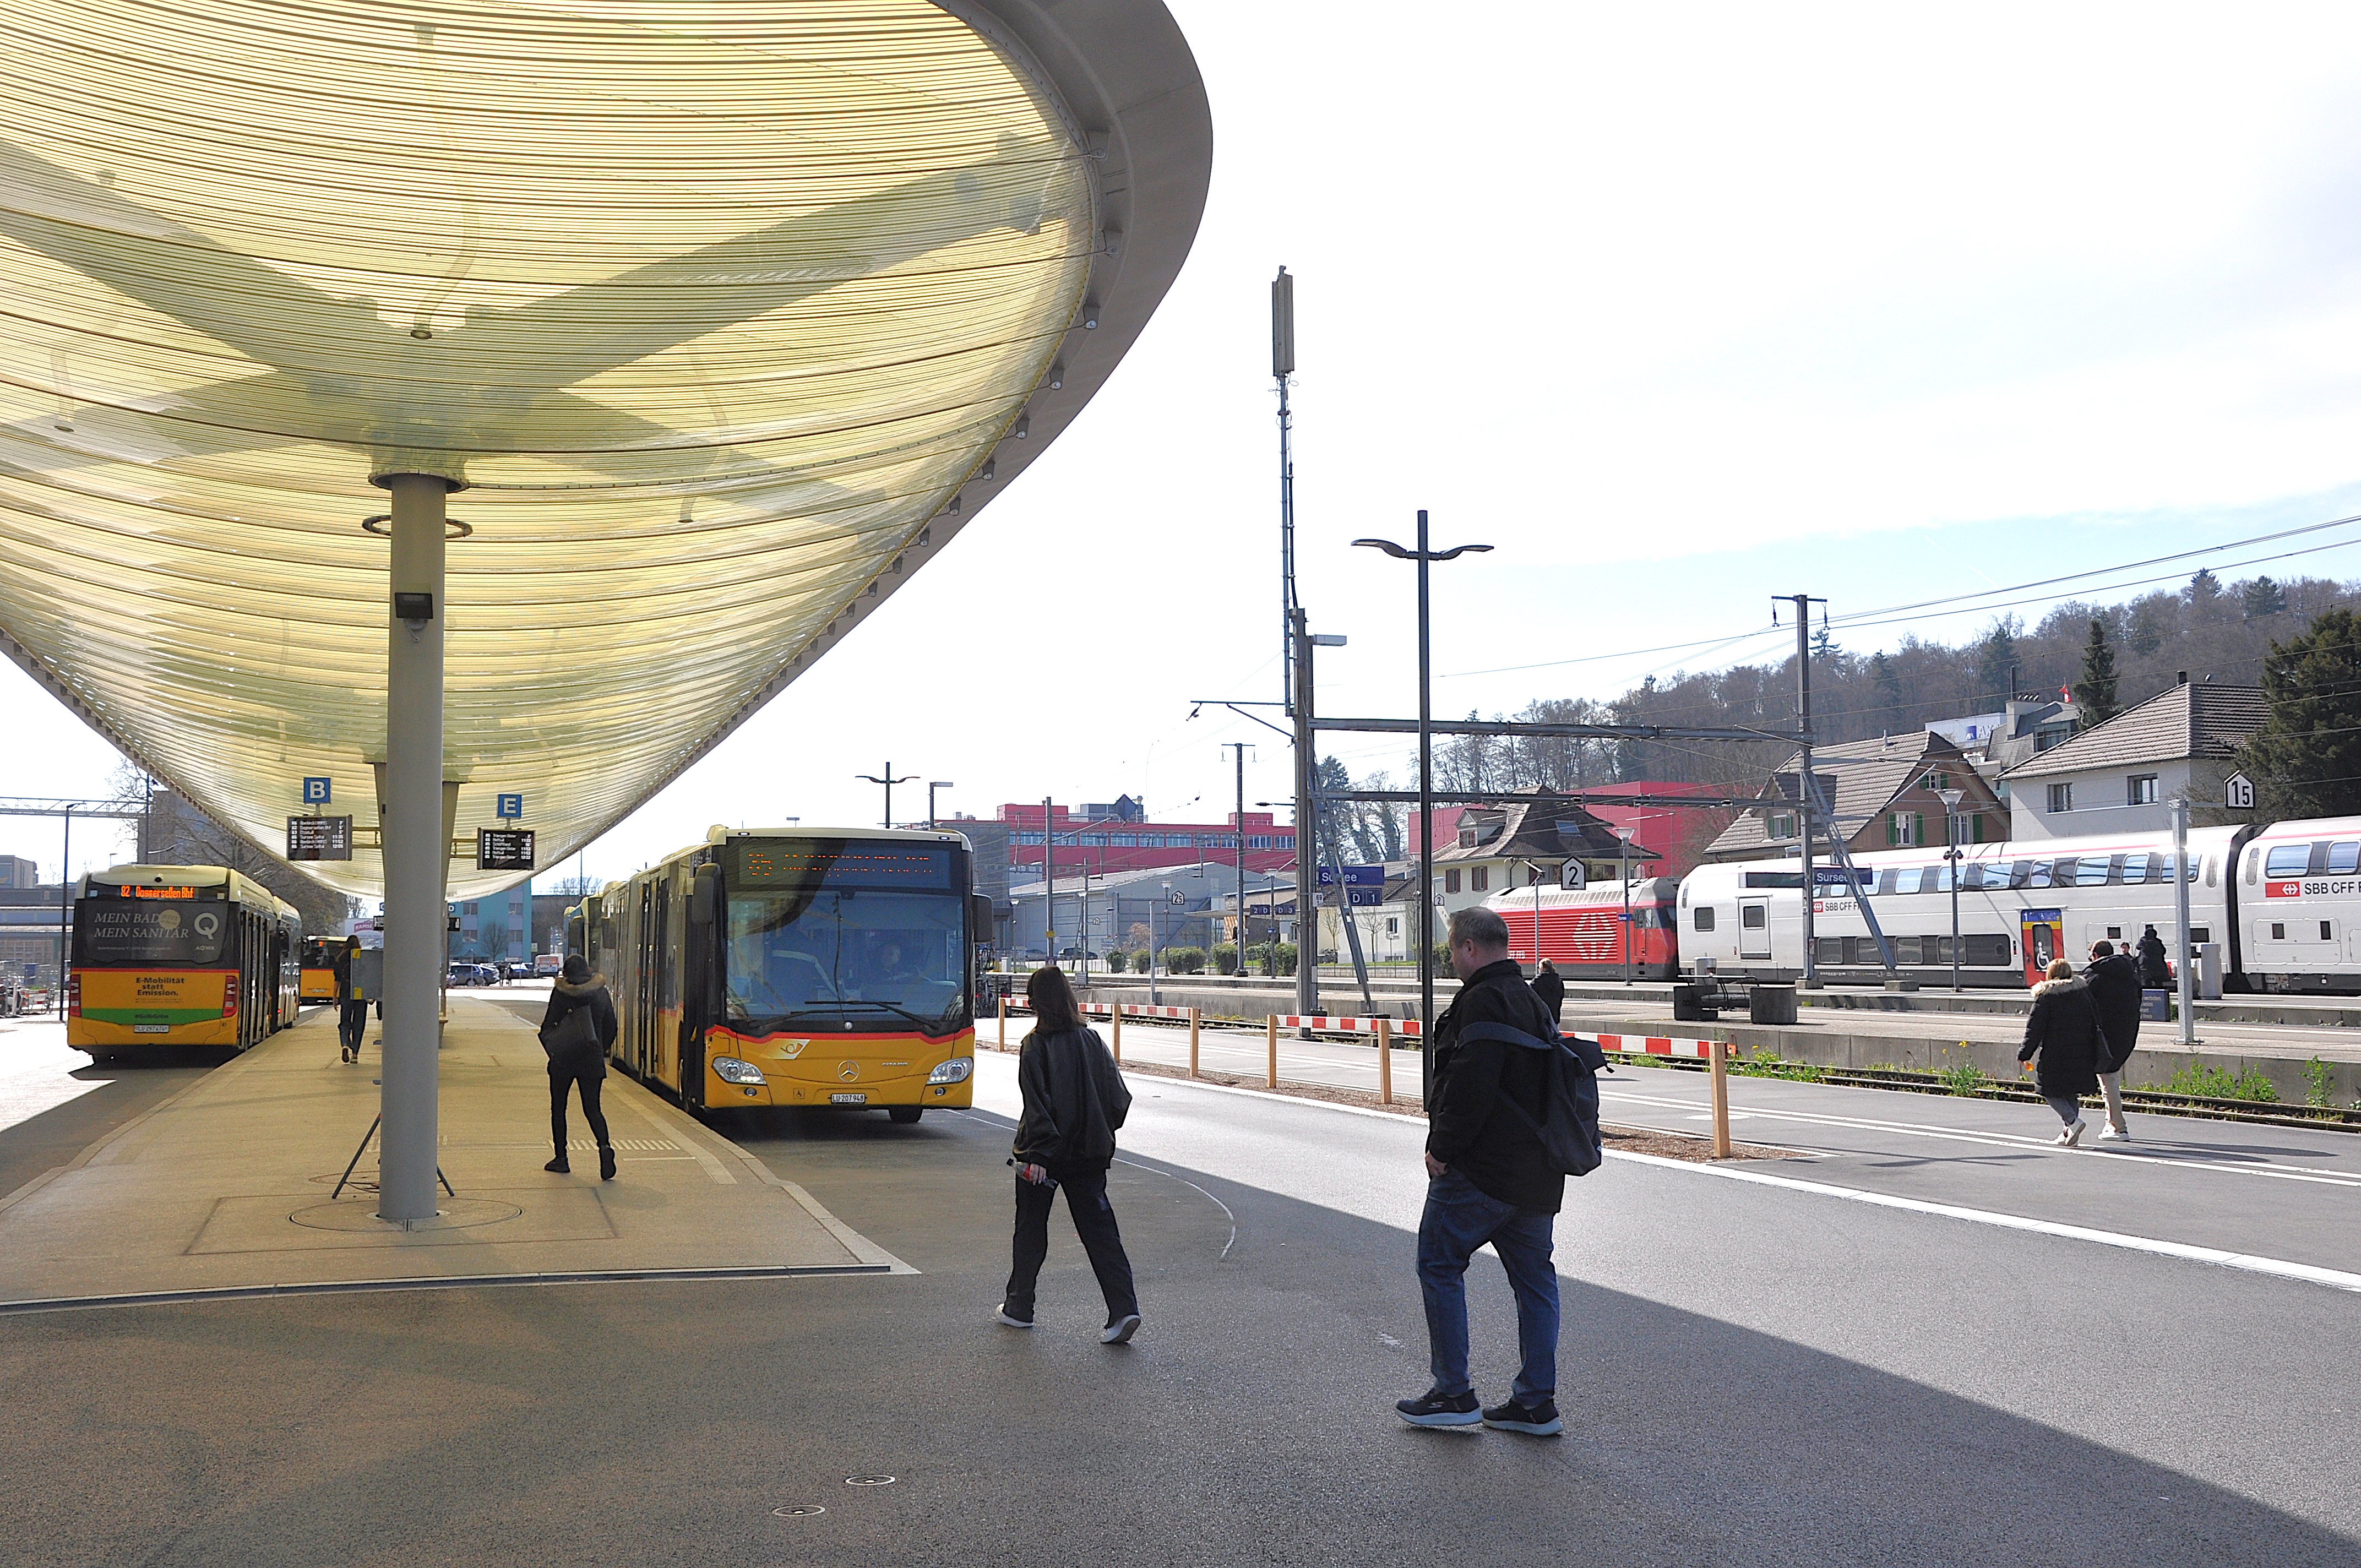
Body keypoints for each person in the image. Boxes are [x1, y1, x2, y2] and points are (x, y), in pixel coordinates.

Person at [1397, 906, 1564, 1438]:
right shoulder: (1532, 999)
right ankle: (1535, 1403)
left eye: (1452, 950)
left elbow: (1471, 1086)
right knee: (1535, 1283)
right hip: (1538, 1173)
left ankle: (1453, 1392)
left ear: (1469, 947)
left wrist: (1441, 1148)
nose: (1452, 960)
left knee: (1438, 1264)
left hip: (1482, 1172)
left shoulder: (1481, 1001)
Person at [999, 964, 1140, 1343]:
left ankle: (1019, 1307)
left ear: (1035, 1003)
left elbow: (1037, 1106)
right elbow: (1119, 1099)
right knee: (1101, 1233)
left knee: (1031, 1231)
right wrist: (1098, 1132)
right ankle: (1124, 1309)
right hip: (1089, 1155)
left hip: (1043, 1160)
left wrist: (1040, 1155)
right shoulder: (1093, 1040)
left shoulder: (1035, 1045)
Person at [540, 954, 618, 1179]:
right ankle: (604, 1147)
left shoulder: (561, 993)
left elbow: (548, 1025)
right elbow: (611, 1026)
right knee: (593, 1108)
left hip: (563, 1059)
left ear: (566, 973)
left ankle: (561, 1158)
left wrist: (554, 1049)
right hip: (591, 1059)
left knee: (559, 1108)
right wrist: (599, 1047)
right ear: (588, 970)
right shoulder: (600, 992)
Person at [2019, 957, 2109, 1147]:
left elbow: (2034, 1029)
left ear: (2050, 974)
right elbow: (2097, 1019)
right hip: (2083, 1050)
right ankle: (2069, 1133)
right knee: (2069, 1090)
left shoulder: (2046, 996)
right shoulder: (2083, 992)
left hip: (2055, 1053)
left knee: (2046, 1088)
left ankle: (2072, 1121)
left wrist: (2025, 1053)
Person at [2083, 940, 2141, 1141]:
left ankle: (2118, 1127)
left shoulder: (2095, 976)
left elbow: (2086, 1006)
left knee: (2108, 1079)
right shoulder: (2130, 974)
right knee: (2110, 1077)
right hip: (2128, 1031)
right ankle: (2112, 1122)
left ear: (2095, 955)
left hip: (2104, 1035)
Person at [333, 935, 367, 1064]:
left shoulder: (341, 958)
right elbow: (368, 977)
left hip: (345, 994)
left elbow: (337, 980)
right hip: (360, 995)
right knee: (359, 1024)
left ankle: (345, 1045)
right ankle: (355, 1054)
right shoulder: (363, 958)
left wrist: (334, 997)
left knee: (345, 1022)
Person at [1531, 957, 1566, 1023]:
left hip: (1541, 1016)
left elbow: (1531, 996)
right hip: (1555, 1015)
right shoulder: (1559, 981)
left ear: (1542, 968)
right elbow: (1561, 996)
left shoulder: (1537, 981)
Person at [2137, 925, 2171, 989]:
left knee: (2147, 983)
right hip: (2157, 967)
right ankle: (2159, 994)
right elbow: (2163, 951)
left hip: (2145, 967)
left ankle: (2148, 994)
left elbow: (2138, 947)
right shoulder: (2158, 942)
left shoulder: (2143, 941)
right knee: (2159, 983)